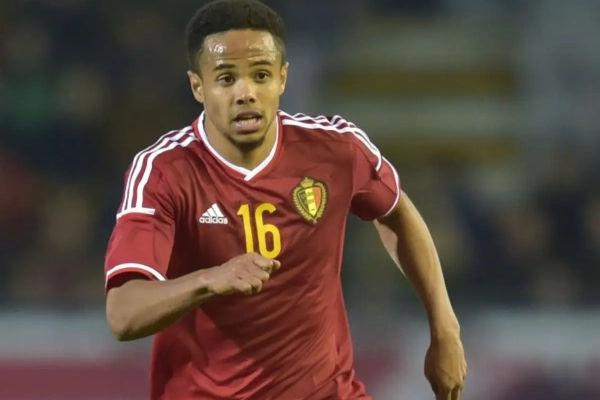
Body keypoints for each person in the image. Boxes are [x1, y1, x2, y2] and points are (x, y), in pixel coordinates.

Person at [103, 0, 467, 399]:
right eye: (226, 78)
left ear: (282, 78)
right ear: (198, 86)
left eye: (260, 75)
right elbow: (123, 314)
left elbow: (396, 212)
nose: (245, 93)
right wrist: (210, 279)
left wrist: (445, 329)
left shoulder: (336, 149)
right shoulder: (163, 172)